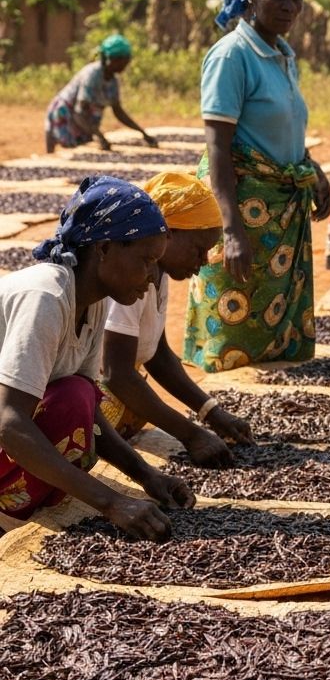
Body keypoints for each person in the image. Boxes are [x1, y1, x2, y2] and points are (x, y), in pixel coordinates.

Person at [0, 176, 194, 538]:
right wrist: (110, 502)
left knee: (81, 396)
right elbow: (10, 423)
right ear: (104, 249)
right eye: (146, 261)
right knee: (72, 398)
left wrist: (147, 475)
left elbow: (88, 412)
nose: (153, 278)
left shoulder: (95, 300)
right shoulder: (46, 297)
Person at [184, 0, 330, 374]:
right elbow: (218, 147)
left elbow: (286, 130)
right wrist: (230, 230)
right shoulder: (232, 55)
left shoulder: (284, 54)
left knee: (270, 312)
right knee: (235, 302)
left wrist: (315, 172)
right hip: (245, 201)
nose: (289, 7)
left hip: (282, 202)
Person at [101, 173, 254, 467]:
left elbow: (156, 354)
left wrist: (211, 411)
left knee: (134, 409)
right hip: (89, 391)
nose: (204, 261)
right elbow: (116, 374)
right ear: (168, 234)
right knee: (104, 410)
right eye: (199, 249)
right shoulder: (129, 277)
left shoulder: (157, 272)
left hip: (110, 390)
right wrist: (191, 435)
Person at [44, 35, 159, 154]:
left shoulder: (112, 81)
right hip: (65, 114)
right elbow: (78, 113)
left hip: (84, 121)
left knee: (80, 150)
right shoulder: (92, 75)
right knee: (62, 152)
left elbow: (118, 111)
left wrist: (142, 133)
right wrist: (99, 136)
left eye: (126, 61)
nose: (124, 65)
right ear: (111, 59)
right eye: (122, 61)